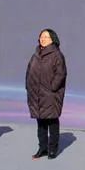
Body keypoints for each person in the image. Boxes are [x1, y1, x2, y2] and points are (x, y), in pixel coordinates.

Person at [25, 29, 67, 159]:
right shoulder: (35, 55)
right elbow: (28, 72)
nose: (43, 39)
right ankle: (42, 148)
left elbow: (61, 74)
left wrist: (52, 88)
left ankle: (52, 149)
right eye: (41, 37)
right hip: (36, 95)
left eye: (46, 37)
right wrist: (29, 87)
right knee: (41, 123)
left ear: (53, 39)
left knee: (52, 122)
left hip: (50, 95)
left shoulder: (57, 55)